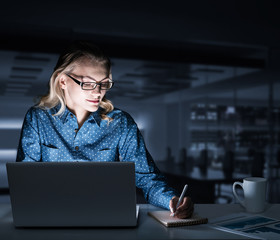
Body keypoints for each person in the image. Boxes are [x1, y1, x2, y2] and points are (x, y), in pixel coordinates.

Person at [16, 41, 194, 219]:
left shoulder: (121, 123)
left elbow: (147, 178)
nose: (98, 92)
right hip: (51, 215)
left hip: (107, 217)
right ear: (63, 81)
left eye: (104, 83)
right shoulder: (38, 118)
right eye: (88, 84)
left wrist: (172, 200)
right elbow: (25, 180)